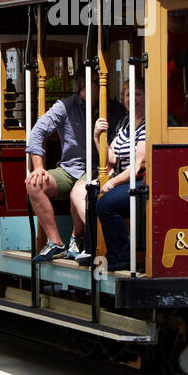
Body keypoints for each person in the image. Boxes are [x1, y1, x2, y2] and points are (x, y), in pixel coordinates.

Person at [24, 73, 125, 263]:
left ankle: (77, 239)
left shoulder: (114, 110)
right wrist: (38, 167)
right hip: (69, 168)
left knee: (81, 191)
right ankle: (55, 243)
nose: (85, 86)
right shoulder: (65, 106)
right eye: (82, 83)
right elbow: (36, 133)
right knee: (34, 184)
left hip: (97, 168)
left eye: (93, 82)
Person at [78, 83, 146, 271]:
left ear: (147, 97)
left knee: (106, 204)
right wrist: (97, 136)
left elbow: (138, 166)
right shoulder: (125, 123)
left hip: (140, 181)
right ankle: (94, 252)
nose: (132, 99)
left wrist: (112, 182)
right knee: (91, 194)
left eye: (138, 94)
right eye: (127, 95)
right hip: (123, 179)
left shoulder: (149, 124)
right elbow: (112, 157)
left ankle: (122, 256)